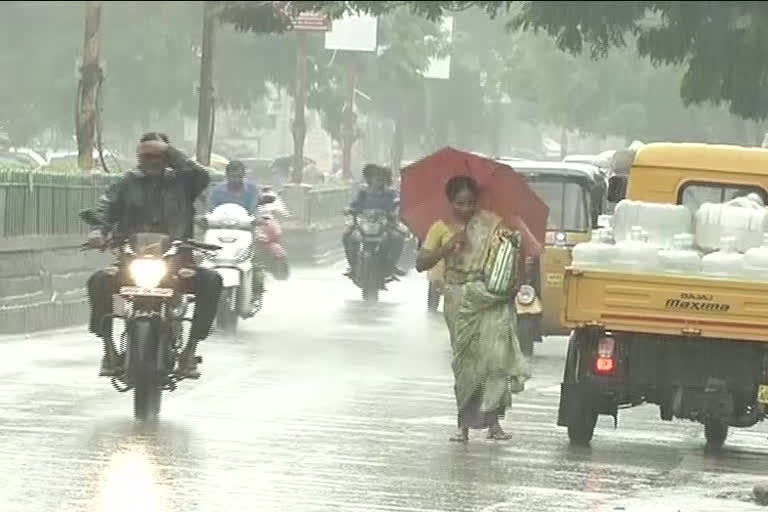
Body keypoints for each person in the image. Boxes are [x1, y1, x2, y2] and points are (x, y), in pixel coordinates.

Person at [86, 132, 223, 378]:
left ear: (167, 157)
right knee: (98, 281)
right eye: (146, 155)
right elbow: (106, 207)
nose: (152, 161)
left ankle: (190, 349)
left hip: (176, 260)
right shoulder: (127, 182)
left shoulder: (183, 182)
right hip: (132, 259)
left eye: (158, 156)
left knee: (211, 280)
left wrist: (171, 152)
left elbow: (204, 177)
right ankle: (108, 347)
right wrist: (98, 232)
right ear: (139, 157)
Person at [416, 175, 530, 443]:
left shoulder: (491, 225)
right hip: (458, 299)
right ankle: (463, 425)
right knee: (466, 363)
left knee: (494, 356)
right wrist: (446, 248)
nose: (465, 208)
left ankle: (493, 423)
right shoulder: (440, 228)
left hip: (488, 297)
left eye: (470, 203)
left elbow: (508, 259)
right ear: (450, 202)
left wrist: (509, 258)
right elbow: (421, 262)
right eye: (459, 203)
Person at [207, 159, 265, 309]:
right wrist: (205, 218)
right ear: (226, 176)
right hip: (220, 232)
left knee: (255, 262)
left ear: (243, 176)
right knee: (203, 260)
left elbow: (254, 208)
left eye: (239, 176)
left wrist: (256, 219)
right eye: (232, 176)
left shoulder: (252, 189)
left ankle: (256, 294)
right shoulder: (218, 190)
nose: (235, 180)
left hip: (245, 232)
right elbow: (211, 208)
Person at [343, 164, 406, 277]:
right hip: (363, 223)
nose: (378, 179)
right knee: (347, 235)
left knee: (399, 237)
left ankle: (391, 265)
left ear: (385, 179)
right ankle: (353, 265)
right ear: (370, 178)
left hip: (386, 224)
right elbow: (354, 204)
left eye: (381, 177)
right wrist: (349, 209)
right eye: (375, 177)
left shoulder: (390, 193)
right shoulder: (363, 192)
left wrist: (396, 209)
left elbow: (398, 202)